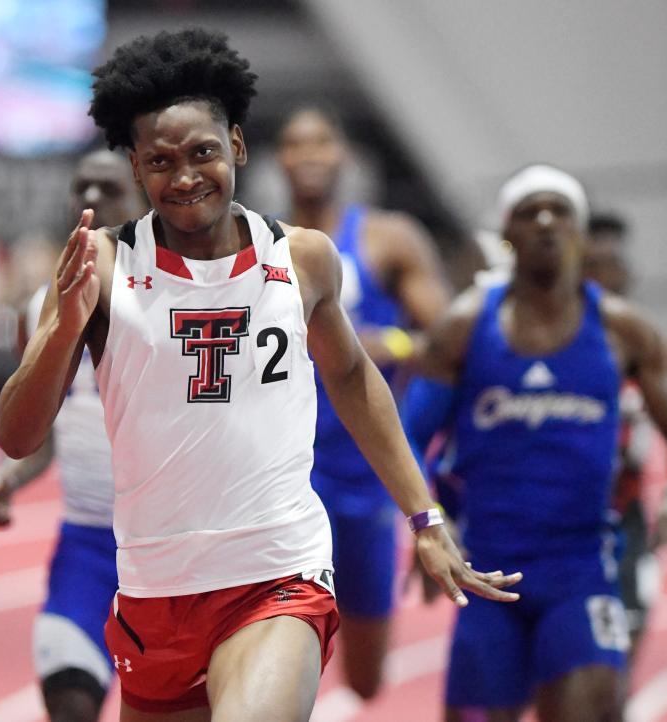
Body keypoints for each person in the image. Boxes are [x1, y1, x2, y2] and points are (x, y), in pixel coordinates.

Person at [0, 29, 521, 722]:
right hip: (156, 586)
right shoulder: (102, 266)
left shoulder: (301, 259)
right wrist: (62, 328)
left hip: (275, 571)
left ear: (238, 147)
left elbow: (355, 381)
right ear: (135, 167)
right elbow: (17, 434)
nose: (185, 176)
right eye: (160, 160)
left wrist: (422, 515)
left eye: (203, 152)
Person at [403, 164, 667, 722]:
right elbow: (403, 442)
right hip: (486, 574)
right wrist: (430, 526)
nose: (545, 222)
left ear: (580, 232)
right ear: (506, 234)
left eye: (559, 211)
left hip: (582, 571)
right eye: (528, 212)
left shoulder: (624, 331)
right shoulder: (464, 328)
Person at [275, 104, 452, 699]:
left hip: (367, 475)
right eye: (296, 144)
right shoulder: (263, 244)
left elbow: (451, 345)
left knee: (367, 678)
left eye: (322, 141)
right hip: (289, 474)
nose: (309, 156)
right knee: (279, 642)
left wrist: (388, 341)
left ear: (343, 154)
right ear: (279, 158)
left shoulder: (388, 239)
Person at [0, 149, 148, 722]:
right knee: (69, 698)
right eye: (83, 187)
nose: (95, 199)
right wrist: (12, 475)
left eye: (111, 187)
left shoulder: (181, 296)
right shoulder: (40, 305)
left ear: (142, 194)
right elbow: (43, 426)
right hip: (87, 544)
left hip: (170, 548)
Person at [583, 211, 667, 690]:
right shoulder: (540, 338)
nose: (607, 277)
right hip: (553, 522)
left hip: (624, 514)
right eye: (594, 265)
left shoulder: (648, 345)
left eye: (613, 265)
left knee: (622, 659)